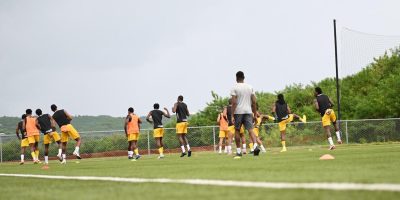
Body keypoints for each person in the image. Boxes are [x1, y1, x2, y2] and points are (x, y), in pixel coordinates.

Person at [230, 71, 260, 158]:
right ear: (244, 77)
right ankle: (255, 146)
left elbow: (234, 103)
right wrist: (254, 114)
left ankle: (239, 151)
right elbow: (254, 102)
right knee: (250, 130)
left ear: (236, 78)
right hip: (248, 111)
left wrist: (232, 115)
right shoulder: (250, 87)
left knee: (237, 130)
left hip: (238, 112)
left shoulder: (234, 88)